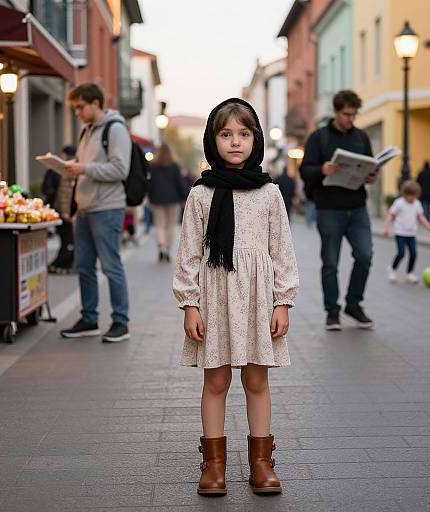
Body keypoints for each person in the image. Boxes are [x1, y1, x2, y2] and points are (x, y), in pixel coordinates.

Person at [173, 98, 298, 496]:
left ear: (256, 139)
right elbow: (189, 254)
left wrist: (283, 301)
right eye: (225, 134)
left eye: (244, 134)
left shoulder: (270, 193)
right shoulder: (200, 195)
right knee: (217, 380)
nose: (235, 142)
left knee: (257, 380)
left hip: (258, 300)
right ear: (213, 141)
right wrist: (189, 304)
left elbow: (282, 251)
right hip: (214, 297)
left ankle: (262, 463)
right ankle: (213, 466)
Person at [300, 90, 376, 331]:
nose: (350, 119)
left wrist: (371, 175)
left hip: (357, 208)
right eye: (346, 114)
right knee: (330, 262)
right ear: (335, 112)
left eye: (354, 115)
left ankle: (353, 304)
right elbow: (305, 171)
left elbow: (369, 166)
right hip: (329, 208)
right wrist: (322, 169)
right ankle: (332, 312)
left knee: (365, 256)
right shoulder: (318, 138)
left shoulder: (361, 137)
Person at [60, 83, 131, 343]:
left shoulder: (115, 129)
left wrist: (84, 169)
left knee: (111, 266)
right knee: (84, 267)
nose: (77, 112)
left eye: (80, 107)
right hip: (86, 208)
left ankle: (120, 322)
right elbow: (87, 168)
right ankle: (89, 318)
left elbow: (120, 169)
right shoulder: (86, 132)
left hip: (108, 208)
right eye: (74, 108)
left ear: (95, 104)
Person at [383, 180, 430, 284]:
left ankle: (410, 273)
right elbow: (390, 215)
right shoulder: (399, 203)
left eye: (414, 196)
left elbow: (420, 217)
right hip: (400, 233)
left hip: (411, 233)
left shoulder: (417, 204)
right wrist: (386, 228)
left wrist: (429, 227)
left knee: (413, 253)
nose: (412, 198)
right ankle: (392, 269)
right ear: (404, 194)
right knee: (401, 253)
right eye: (410, 196)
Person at [41, 145, 77, 273]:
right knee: (68, 239)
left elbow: (49, 189)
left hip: (64, 212)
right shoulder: (65, 171)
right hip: (65, 212)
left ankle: (62, 264)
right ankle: (63, 264)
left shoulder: (67, 170)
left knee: (67, 239)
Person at [148, 143, 186, 262]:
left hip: (157, 198)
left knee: (159, 224)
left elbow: (150, 184)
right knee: (170, 225)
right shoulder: (175, 166)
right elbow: (180, 183)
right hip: (173, 199)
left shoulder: (153, 166)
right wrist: (183, 197)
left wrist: (150, 195)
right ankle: (167, 248)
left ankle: (161, 245)